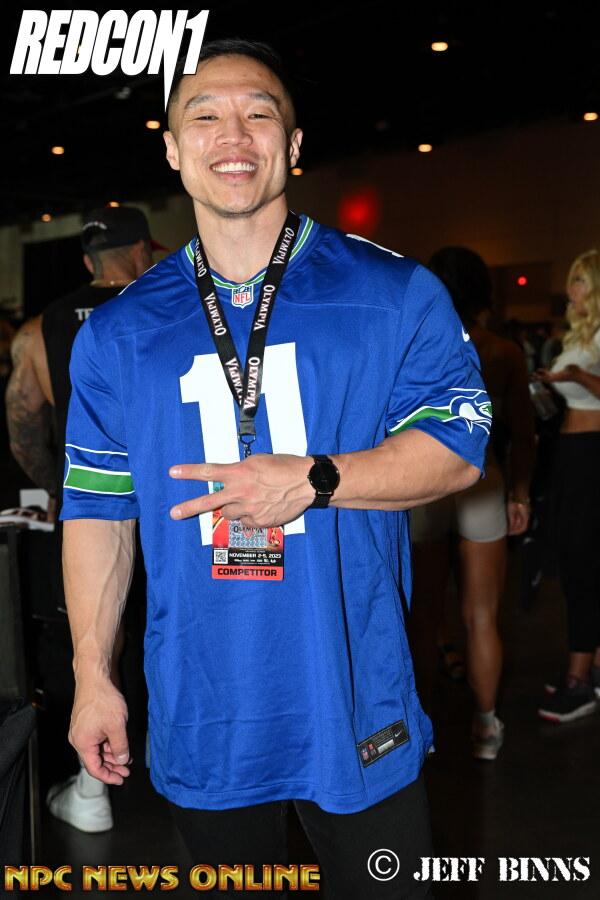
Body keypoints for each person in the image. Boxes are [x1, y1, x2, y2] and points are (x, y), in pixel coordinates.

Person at [60, 40, 489, 898]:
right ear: (172, 149)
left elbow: (459, 451)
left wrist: (317, 479)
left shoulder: (393, 291)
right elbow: (100, 512)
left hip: (356, 695)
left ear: (292, 145)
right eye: (205, 116)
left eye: (259, 113)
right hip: (205, 703)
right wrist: (90, 675)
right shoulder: (116, 332)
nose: (234, 134)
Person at [5, 205, 159, 832]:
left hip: (94, 504)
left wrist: (60, 490)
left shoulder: (38, 329)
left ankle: (94, 791)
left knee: (101, 636)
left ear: (86, 260)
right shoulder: (174, 309)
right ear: (142, 252)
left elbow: (22, 428)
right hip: (180, 504)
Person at [409, 247, 536, 761]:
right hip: (483, 480)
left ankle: (421, 730)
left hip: (427, 486)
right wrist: (521, 494)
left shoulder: (418, 344)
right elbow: (524, 435)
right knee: (482, 617)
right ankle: (485, 726)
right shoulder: (503, 352)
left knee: (422, 618)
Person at [535, 248, 600, 722]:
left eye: (579, 281)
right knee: (581, 560)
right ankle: (590, 670)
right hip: (574, 452)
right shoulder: (581, 335)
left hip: (592, 453)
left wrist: (578, 376)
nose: (570, 289)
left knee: (581, 564)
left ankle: (579, 681)